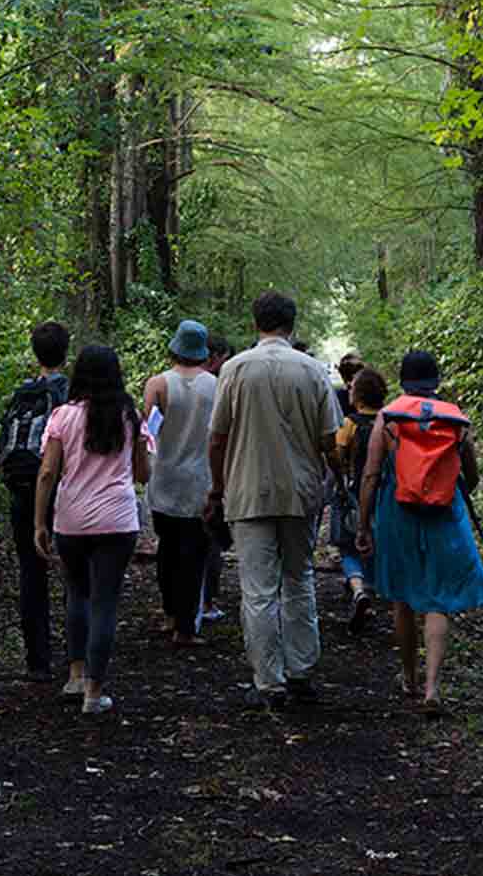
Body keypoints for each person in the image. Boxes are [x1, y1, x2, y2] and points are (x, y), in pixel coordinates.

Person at [205, 291, 340, 708]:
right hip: (301, 490)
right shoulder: (312, 371)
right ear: (292, 325)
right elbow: (328, 440)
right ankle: (301, 670)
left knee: (258, 587)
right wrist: (336, 476)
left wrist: (217, 486)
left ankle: (268, 681)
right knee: (299, 579)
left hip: (248, 488)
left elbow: (217, 438)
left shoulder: (234, 370)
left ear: (255, 323)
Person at [355, 350, 483, 716]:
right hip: (445, 512)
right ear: (436, 381)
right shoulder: (453, 418)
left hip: (397, 513)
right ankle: (433, 687)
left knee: (402, 597)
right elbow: (471, 474)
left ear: (402, 379)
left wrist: (364, 523)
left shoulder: (388, 418)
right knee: (438, 599)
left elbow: (369, 475)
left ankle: (409, 677)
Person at [35, 344, 150, 714]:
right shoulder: (129, 415)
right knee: (104, 602)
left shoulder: (62, 416)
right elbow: (143, 473)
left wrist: (39, 522)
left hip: (71, 519)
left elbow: (48, 472)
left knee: (77, 595)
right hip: (117, 520)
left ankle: (74, 674)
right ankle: (94, 693)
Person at [141, 320, 217, 647]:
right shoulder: (216, 385)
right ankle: (185, 627)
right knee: (194, 555)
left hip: (164, 478)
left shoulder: (157, 384)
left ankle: (170, 613)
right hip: (201, 481)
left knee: (168, 550)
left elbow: (147, 431)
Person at [0, 321, 68, 680]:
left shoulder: (20, 394)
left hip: (21, 488)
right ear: (66, 351)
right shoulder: (68, 394)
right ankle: (76, 658)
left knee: (31, 571)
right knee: (74, 571)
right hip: (60, 490)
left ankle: (37, 661)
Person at [328, 365, 388, 633]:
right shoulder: (389, 422)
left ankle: (358, 588)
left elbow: (337, 454)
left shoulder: (350, 423)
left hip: (354, 491)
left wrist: (339, 481)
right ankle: (373, 588)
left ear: (359, 395)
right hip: (384, 492)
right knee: (375, 541)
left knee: (348, 544)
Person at [199, 336, 234, 623]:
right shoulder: (220, 387)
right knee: (210, 541)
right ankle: (206, 602)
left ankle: (176, 610)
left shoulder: (162, 384)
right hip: (209, 474)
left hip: (174, 477)